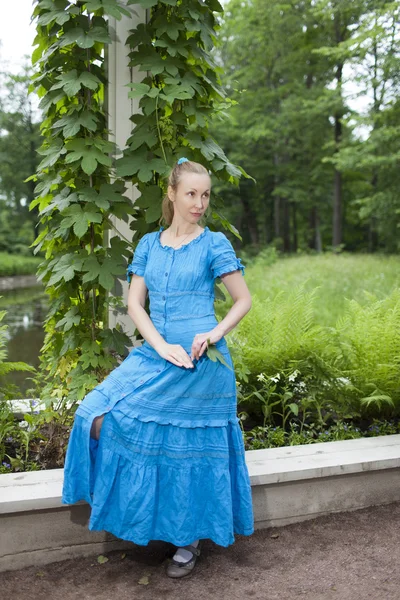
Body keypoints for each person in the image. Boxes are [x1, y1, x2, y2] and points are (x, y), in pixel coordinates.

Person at [62, 157, 254, 579]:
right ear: (171, 194)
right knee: (93, 414)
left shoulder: (214, 244)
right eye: (191, 193)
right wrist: (161, 345)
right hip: (157, 350)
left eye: (205, 195)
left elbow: (243, 299)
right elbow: (134, 303)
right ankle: (141, 515)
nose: (199, 203)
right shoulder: (149, 243)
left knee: (184, 449)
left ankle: (188, 540)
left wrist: (214, 334)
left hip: (201, 361)